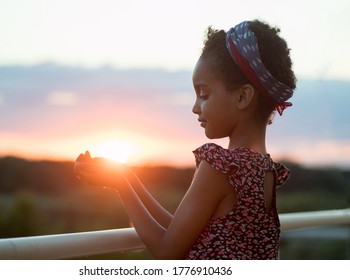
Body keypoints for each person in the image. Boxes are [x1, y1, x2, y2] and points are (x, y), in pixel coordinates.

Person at [74, 19, 296, 260]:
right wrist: (129, 177)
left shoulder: (222, 167)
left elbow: (167, 250)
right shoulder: (264, 169)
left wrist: (122, 187)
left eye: (204, 94)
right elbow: (184, 232)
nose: (195, 107)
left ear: (243, 96)